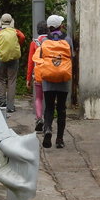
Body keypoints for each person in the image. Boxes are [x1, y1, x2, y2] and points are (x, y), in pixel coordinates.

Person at [34, 16, 73, 149]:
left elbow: (40, 58)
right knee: (61, 108)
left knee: (49, 107)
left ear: (48, 27)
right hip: (63, 78)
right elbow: (71, 57)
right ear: (60, 26)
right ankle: (60, 139)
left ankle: (48, 129)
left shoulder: (44, 41)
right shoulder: (67, 39)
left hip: (48, 79)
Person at [0, 13, 26, 112]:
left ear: (1, 21)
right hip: (14, 58)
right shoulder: (15, 31)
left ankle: (2, 102)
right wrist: (18, 45)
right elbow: (22, 37)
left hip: (1, 57)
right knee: (12, 80)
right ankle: (10, 106)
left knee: (1, 79)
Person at [26, 19, 50, 131]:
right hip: (50, 74)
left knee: (38, 98)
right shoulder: (52, 41)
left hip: (38, 74)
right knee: (49, 99)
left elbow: (30, 62)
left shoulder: (34, 43)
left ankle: (39, 118)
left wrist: (28, 78)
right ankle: (48, 122)